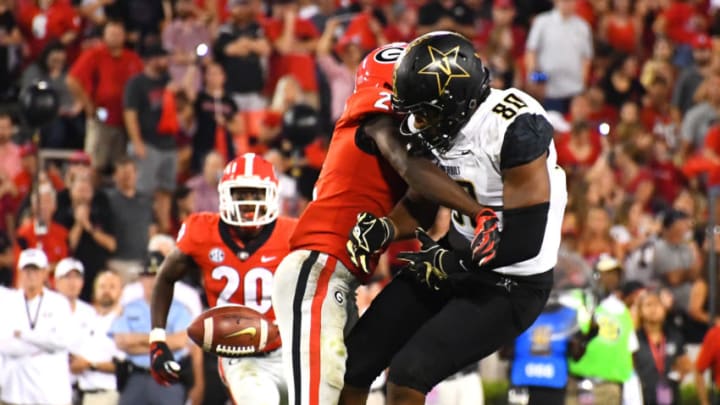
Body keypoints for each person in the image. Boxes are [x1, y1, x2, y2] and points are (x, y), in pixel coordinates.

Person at [338, 31, 566, 405]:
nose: (417, 123)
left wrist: (455, 262)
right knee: (355, 359)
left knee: (409, 373)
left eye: (425, 112)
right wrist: (388, 228)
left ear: (456, 100)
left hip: (511, 284)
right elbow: (425, 204)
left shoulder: (514, 126)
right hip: (455, 257)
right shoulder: (446, 125)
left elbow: (526, 240)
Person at [270, 40, 495, 405]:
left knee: (345, 388)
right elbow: (411, 166)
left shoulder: (400, 133)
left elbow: (421, 206)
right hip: (318, 267)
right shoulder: (376, 116)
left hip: (339, 276)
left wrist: (388, 227)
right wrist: (477, 211)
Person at [149, 153, 297, 404]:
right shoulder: (201, 231)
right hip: (238, 355)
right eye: (241, 194)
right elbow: (165, 277)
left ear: (271, 195)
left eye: (255, 194)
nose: (248, 202)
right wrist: (157, 339)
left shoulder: (294, 234)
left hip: (291, 350)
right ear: (226, 195)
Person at [110, 252, 191, 405]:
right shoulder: (128, 308)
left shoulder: (179, 309)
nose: (152, 281)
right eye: (148, 275)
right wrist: (161, 344)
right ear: (140, 278)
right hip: (136, 377)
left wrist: (138, 339)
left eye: (157, 275)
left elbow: (180, 342)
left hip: (167, 377)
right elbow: (121, 342)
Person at [0, 248, 73, 405]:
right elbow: (5, 344)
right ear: (19, 272)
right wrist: (43, 345)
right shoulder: (7, 302)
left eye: (35, 270)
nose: (31, 275)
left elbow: (61, 341)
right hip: (14, 393)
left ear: (45, 272)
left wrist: (24, 335)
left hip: (51, 394)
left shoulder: (59, 303)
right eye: (27, 270)